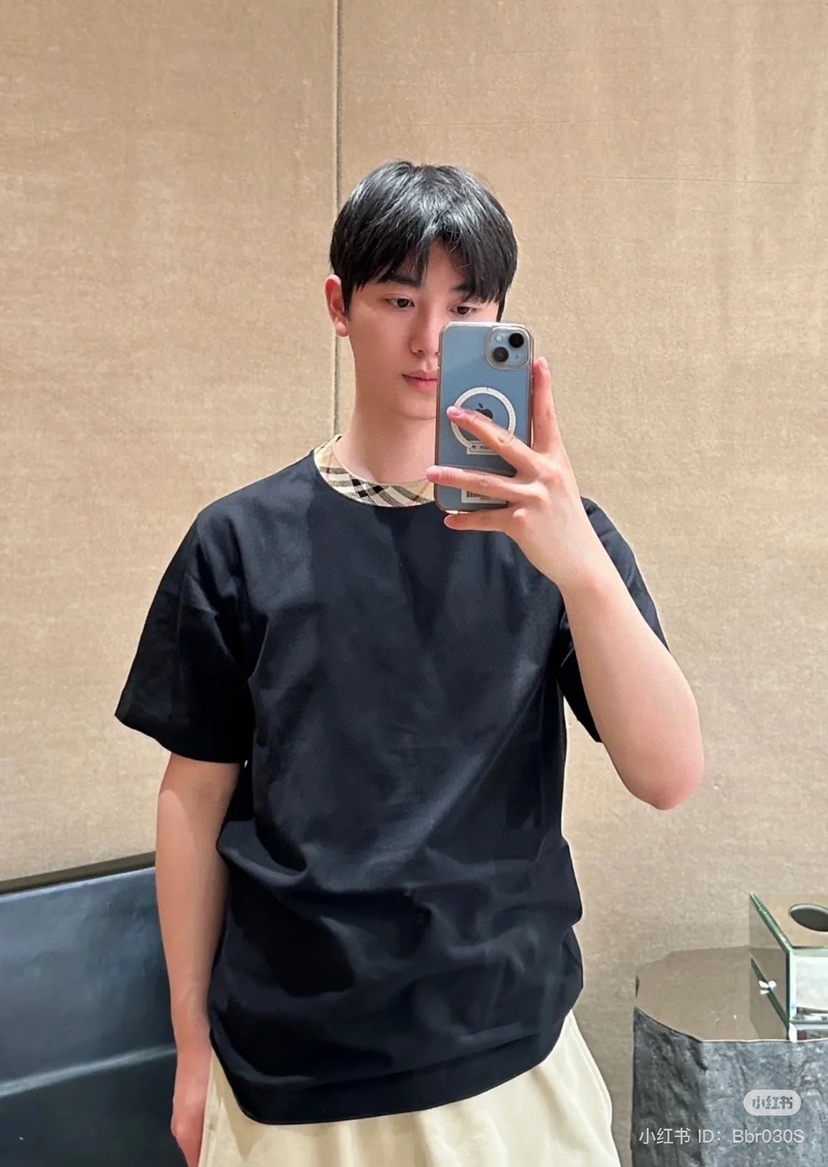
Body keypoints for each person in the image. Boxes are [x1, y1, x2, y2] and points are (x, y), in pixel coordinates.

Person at [116, 160, 704, 1167]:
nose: (431, 339)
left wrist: (581, 567)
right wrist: (189, 1047)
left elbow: (668, 775)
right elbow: (193, 799)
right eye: (398, 300)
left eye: (464, 307)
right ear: (338, 307)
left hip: (513, 1062)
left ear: (499, 320)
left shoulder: (559, 539)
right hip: (293, 1077)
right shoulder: (238, 542)